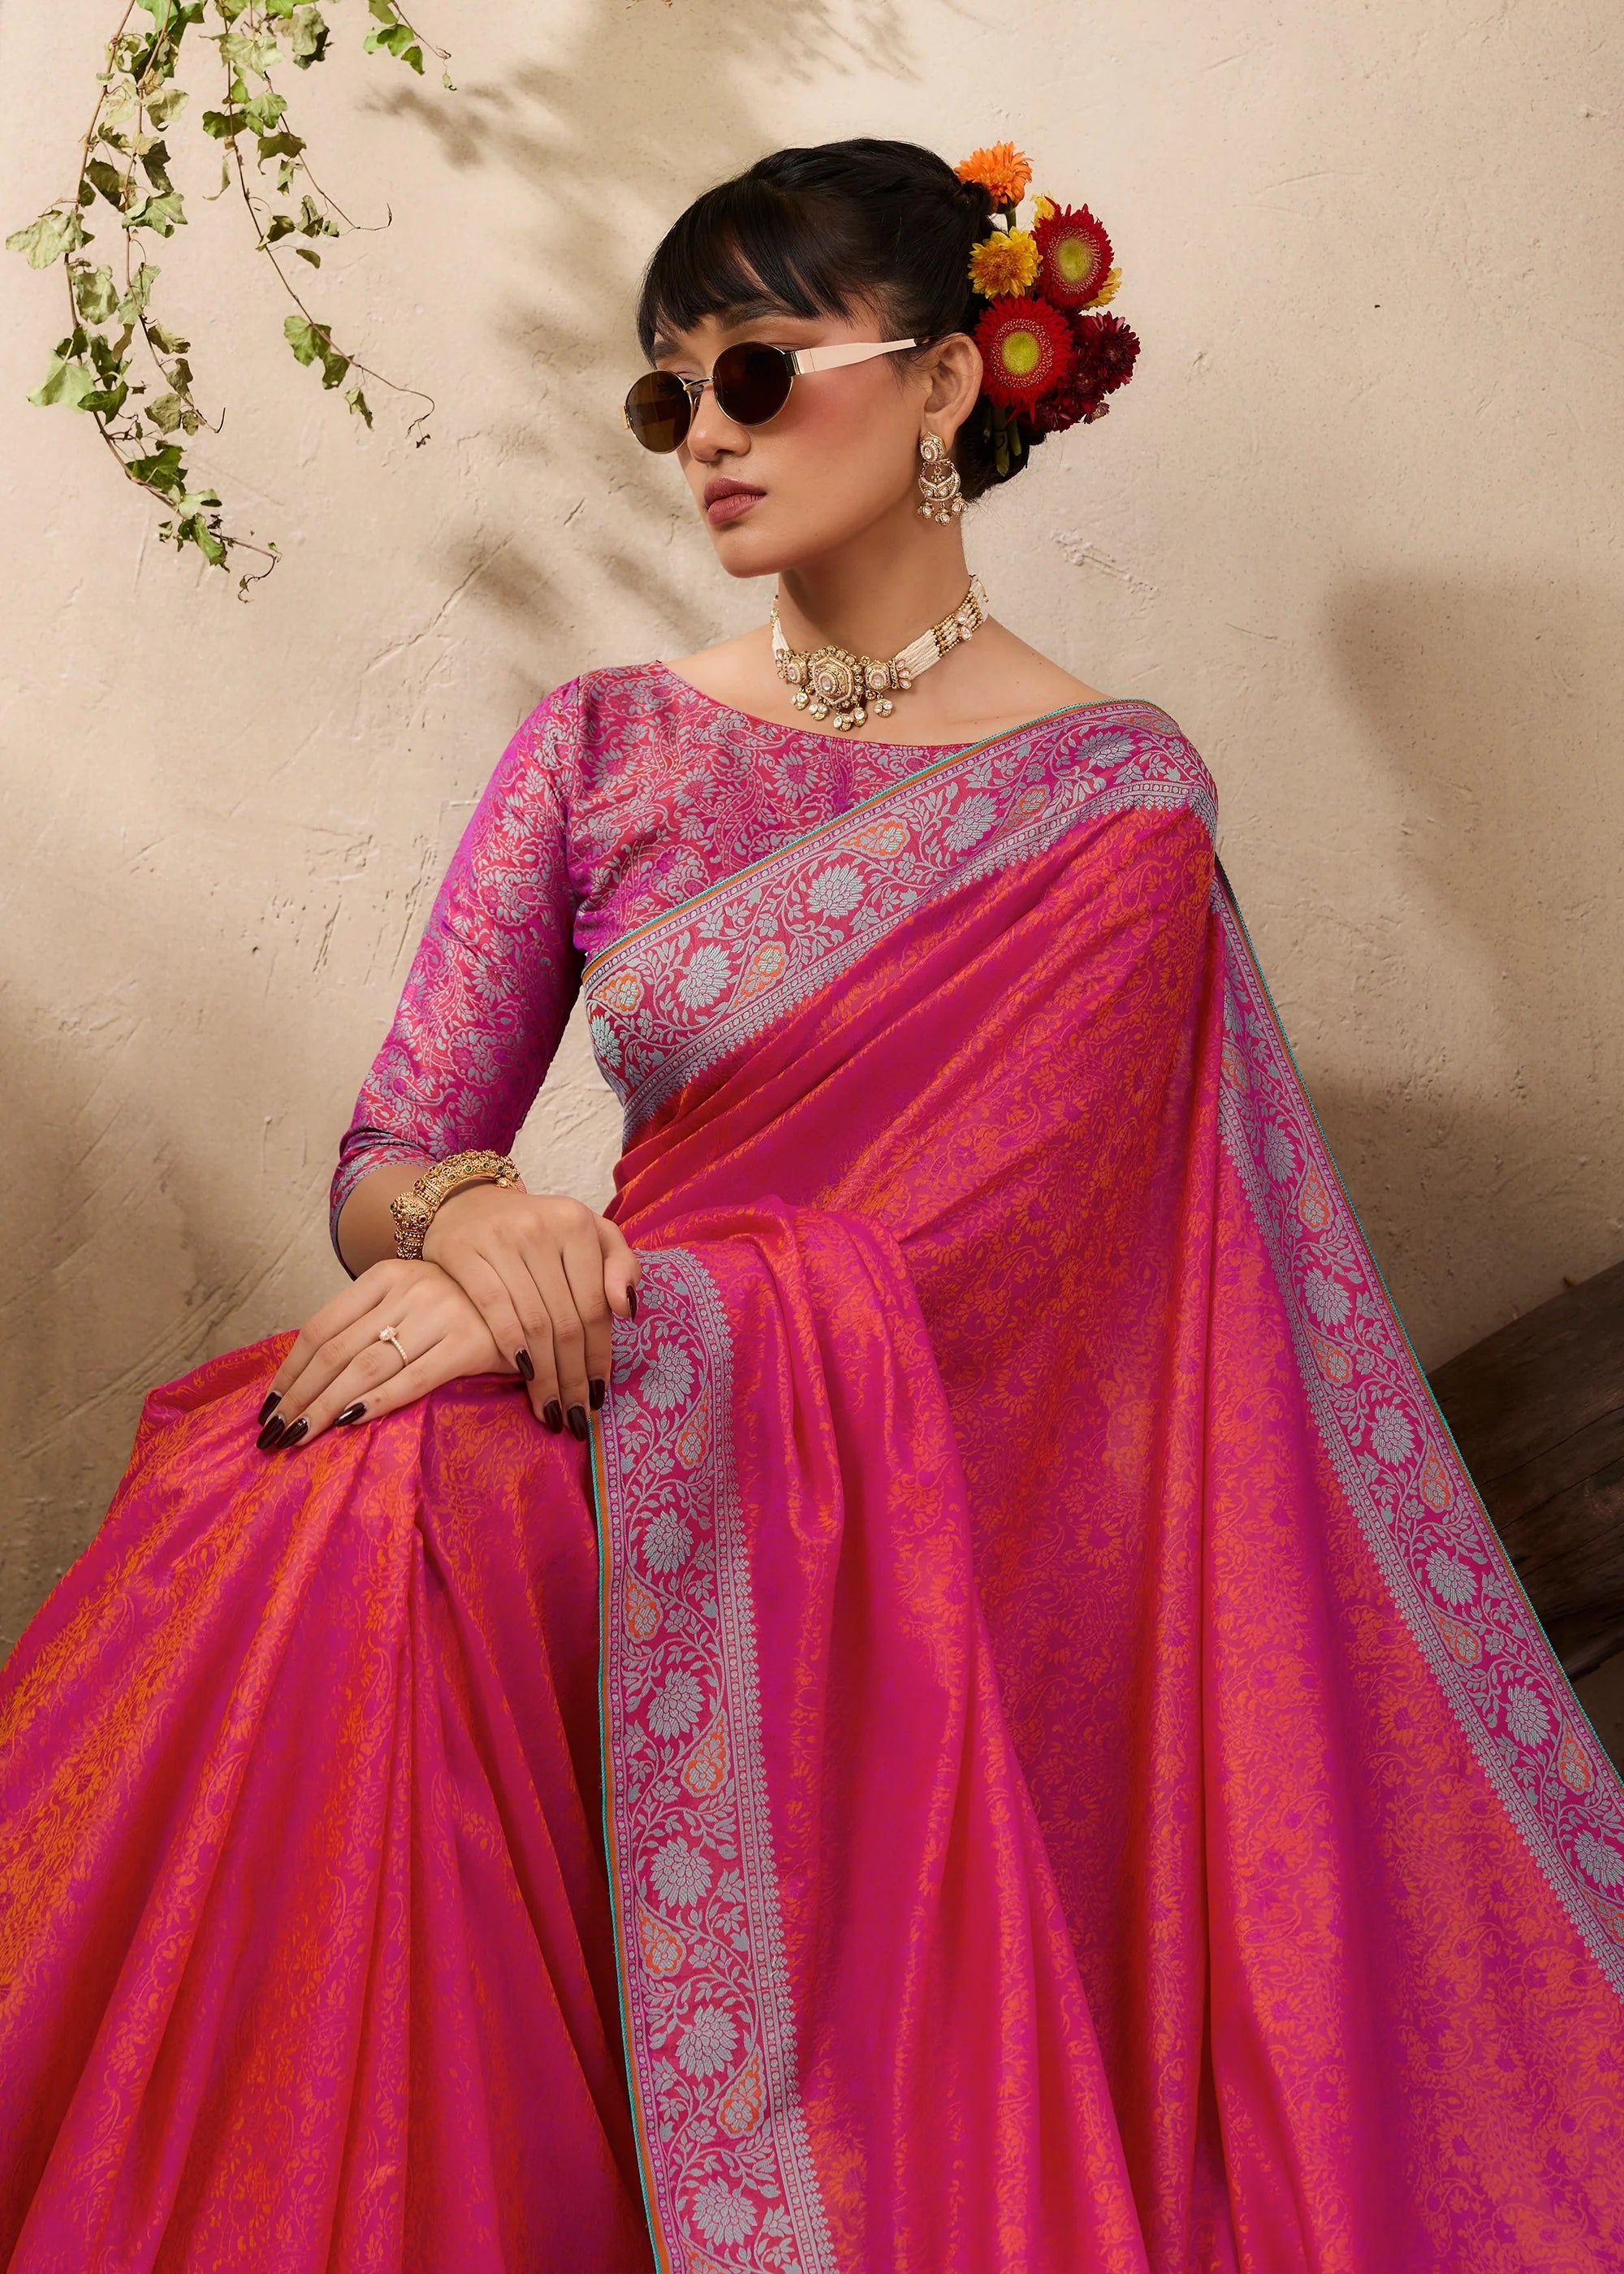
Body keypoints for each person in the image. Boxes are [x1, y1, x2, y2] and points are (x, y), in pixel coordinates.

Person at [2, 133, 1621, 2274]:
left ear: (947, 382)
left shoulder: (1110, 808)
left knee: (402, 1505)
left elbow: (1012, 1275)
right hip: (600, 1392)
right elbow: (388, 1150)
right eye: (667, 391)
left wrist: (610, 1303)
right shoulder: (597, 747)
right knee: (316, 1491)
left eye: (756, 371)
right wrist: (474, 1227)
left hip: (896, 1485)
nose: (704, 435)